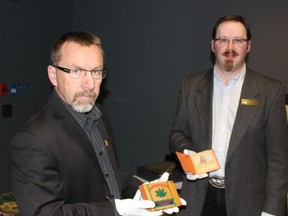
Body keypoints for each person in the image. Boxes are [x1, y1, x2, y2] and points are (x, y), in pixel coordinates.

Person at [10, 31, 185, 216]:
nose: (90, 84)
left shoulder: (98, 114)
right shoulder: (33, 140)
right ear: (53, 75)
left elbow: (110, 175)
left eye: (96, 72)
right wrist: (116, 210)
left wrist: (146, 190)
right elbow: (46, 213)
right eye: (76, 71)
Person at [170, 15, 288, 216]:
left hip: (248, 203)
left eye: (238, 40)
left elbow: (279, 158)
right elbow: (177, 134)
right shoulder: (190, 86)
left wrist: (272, 211)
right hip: (198, 199)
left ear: (248, 46)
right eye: (223, 39)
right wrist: (187, 153)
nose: (230, 46)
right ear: (213, 45)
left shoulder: (271, 91)